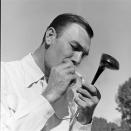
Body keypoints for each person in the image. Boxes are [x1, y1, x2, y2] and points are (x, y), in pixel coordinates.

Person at [1, 13, 101, 131]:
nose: (78, 59)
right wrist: (49, 96)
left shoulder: (73, 92)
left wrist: (84, 120)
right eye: (74, 47)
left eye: (83, 55)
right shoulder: (4, 75)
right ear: (50, 36)